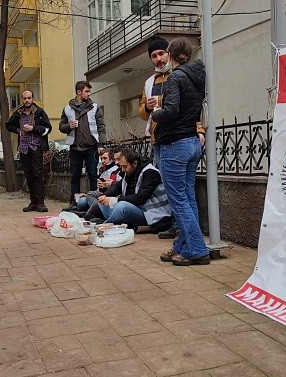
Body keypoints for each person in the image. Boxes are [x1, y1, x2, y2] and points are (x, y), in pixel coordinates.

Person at [139, 36, 206, 240]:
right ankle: (184, 235)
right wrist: (148, 108)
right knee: (176, 191)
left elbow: (188, 108)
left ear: (170, 54)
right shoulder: (150, 81)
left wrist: (199, 129)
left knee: (179, 194)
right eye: (154, 56)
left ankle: (190, 239)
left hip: (176, 138)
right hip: (161, 138)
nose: (158, 59)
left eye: (161, 54)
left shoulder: (178, 76)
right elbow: (142, 112)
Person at [152, 37, 210, 266]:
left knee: (179, 201)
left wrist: (157, 113)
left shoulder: (176, 77)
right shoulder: (197, 77)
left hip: (175, 144)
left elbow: (171, 110)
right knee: (187, 198)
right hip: (192, 143)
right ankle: (182, 245)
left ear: (171, 55)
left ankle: (196, 249)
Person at [90, 148, 171, 232]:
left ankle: (107, 224)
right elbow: (117, 187)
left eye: (124, 166)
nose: (122, 170)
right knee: (103, 202)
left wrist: (115, 200)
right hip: (138, 209)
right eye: (121, 166)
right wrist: (105, 196)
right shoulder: (129, 171)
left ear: (135, 163)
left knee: (122, 207)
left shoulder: (150, 173)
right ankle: (115, 222)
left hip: (152, 213)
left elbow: (141, 198)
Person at [59, 80, 106, 210]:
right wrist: (69, 126)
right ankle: (74, 203)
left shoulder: (94, 107)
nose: (89, 94)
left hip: (91, 147)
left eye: (89, 91)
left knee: (93, 175)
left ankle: (94, 202)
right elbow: (61, 127)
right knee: (75, 176)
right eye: (86, 91)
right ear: (79, 92)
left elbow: (101, 126)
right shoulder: (67, 108)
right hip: (75, 148)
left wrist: (101, 143)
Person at [5, 90, 52, 212]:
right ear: (22, 99)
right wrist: (18, 131)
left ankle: (40, 203)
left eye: (29, 98)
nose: (27, 100)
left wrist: (34, 128)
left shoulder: (40, 112)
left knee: (38, 175)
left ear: (32, 98)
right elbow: (8, 125)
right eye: (25, 98)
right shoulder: (17, 114)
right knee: (28, 176)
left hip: (36, 147)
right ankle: (33, 202)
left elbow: (48, 128)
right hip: (23, 148)